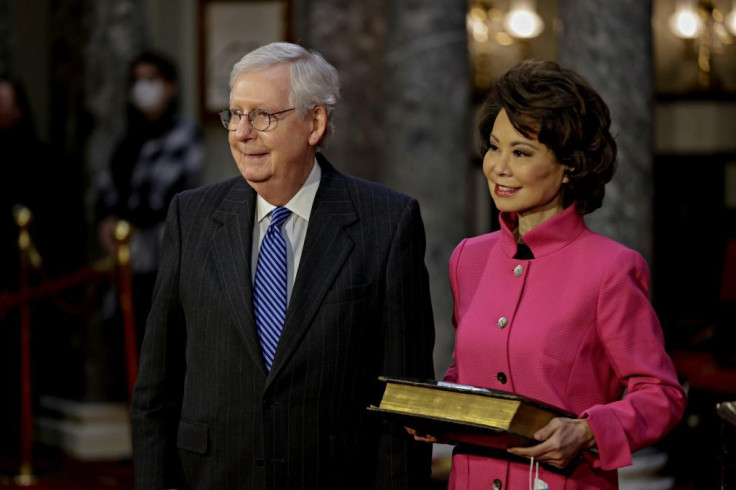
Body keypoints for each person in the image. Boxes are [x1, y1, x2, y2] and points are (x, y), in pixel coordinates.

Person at [130, 42, 435, 489]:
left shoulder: (386, 222)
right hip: (214, 475)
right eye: (235, 114)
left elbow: (405, 402)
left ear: (315, 122)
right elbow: (156, 389)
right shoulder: (190, 216)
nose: (242, 132)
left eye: (262, 116)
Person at [409, 60, 686, 489]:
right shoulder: (469, 257)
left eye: (520, 152)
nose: (498, 167)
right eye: (494, 147)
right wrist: (441, 413)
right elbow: (467, 372)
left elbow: (661, 395)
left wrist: (589, 430)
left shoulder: (611, 268)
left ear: (569, 166)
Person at [95, 51, 203, 346]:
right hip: (123, 255)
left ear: (171, 86)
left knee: (158, 336)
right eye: (138, 80)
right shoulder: (127, 136)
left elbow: (176, 193)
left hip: (161, 254)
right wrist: (107, 218)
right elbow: (107, 184)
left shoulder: (184, 134)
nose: (144, 87)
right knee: (123, 335)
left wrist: (129, 219)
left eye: (152, 79)